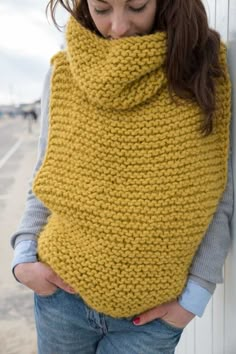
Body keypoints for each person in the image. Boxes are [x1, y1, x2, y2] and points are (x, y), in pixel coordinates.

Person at [11, 0, 233, 353]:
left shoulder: (204, 71)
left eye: (136, 6)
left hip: (151, 321)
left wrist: (195, 297)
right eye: (102, 9)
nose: (118, 26)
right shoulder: (65, 72)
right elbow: (48, 172)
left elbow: (219, 192)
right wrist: (23, 257)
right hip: (61, 302)